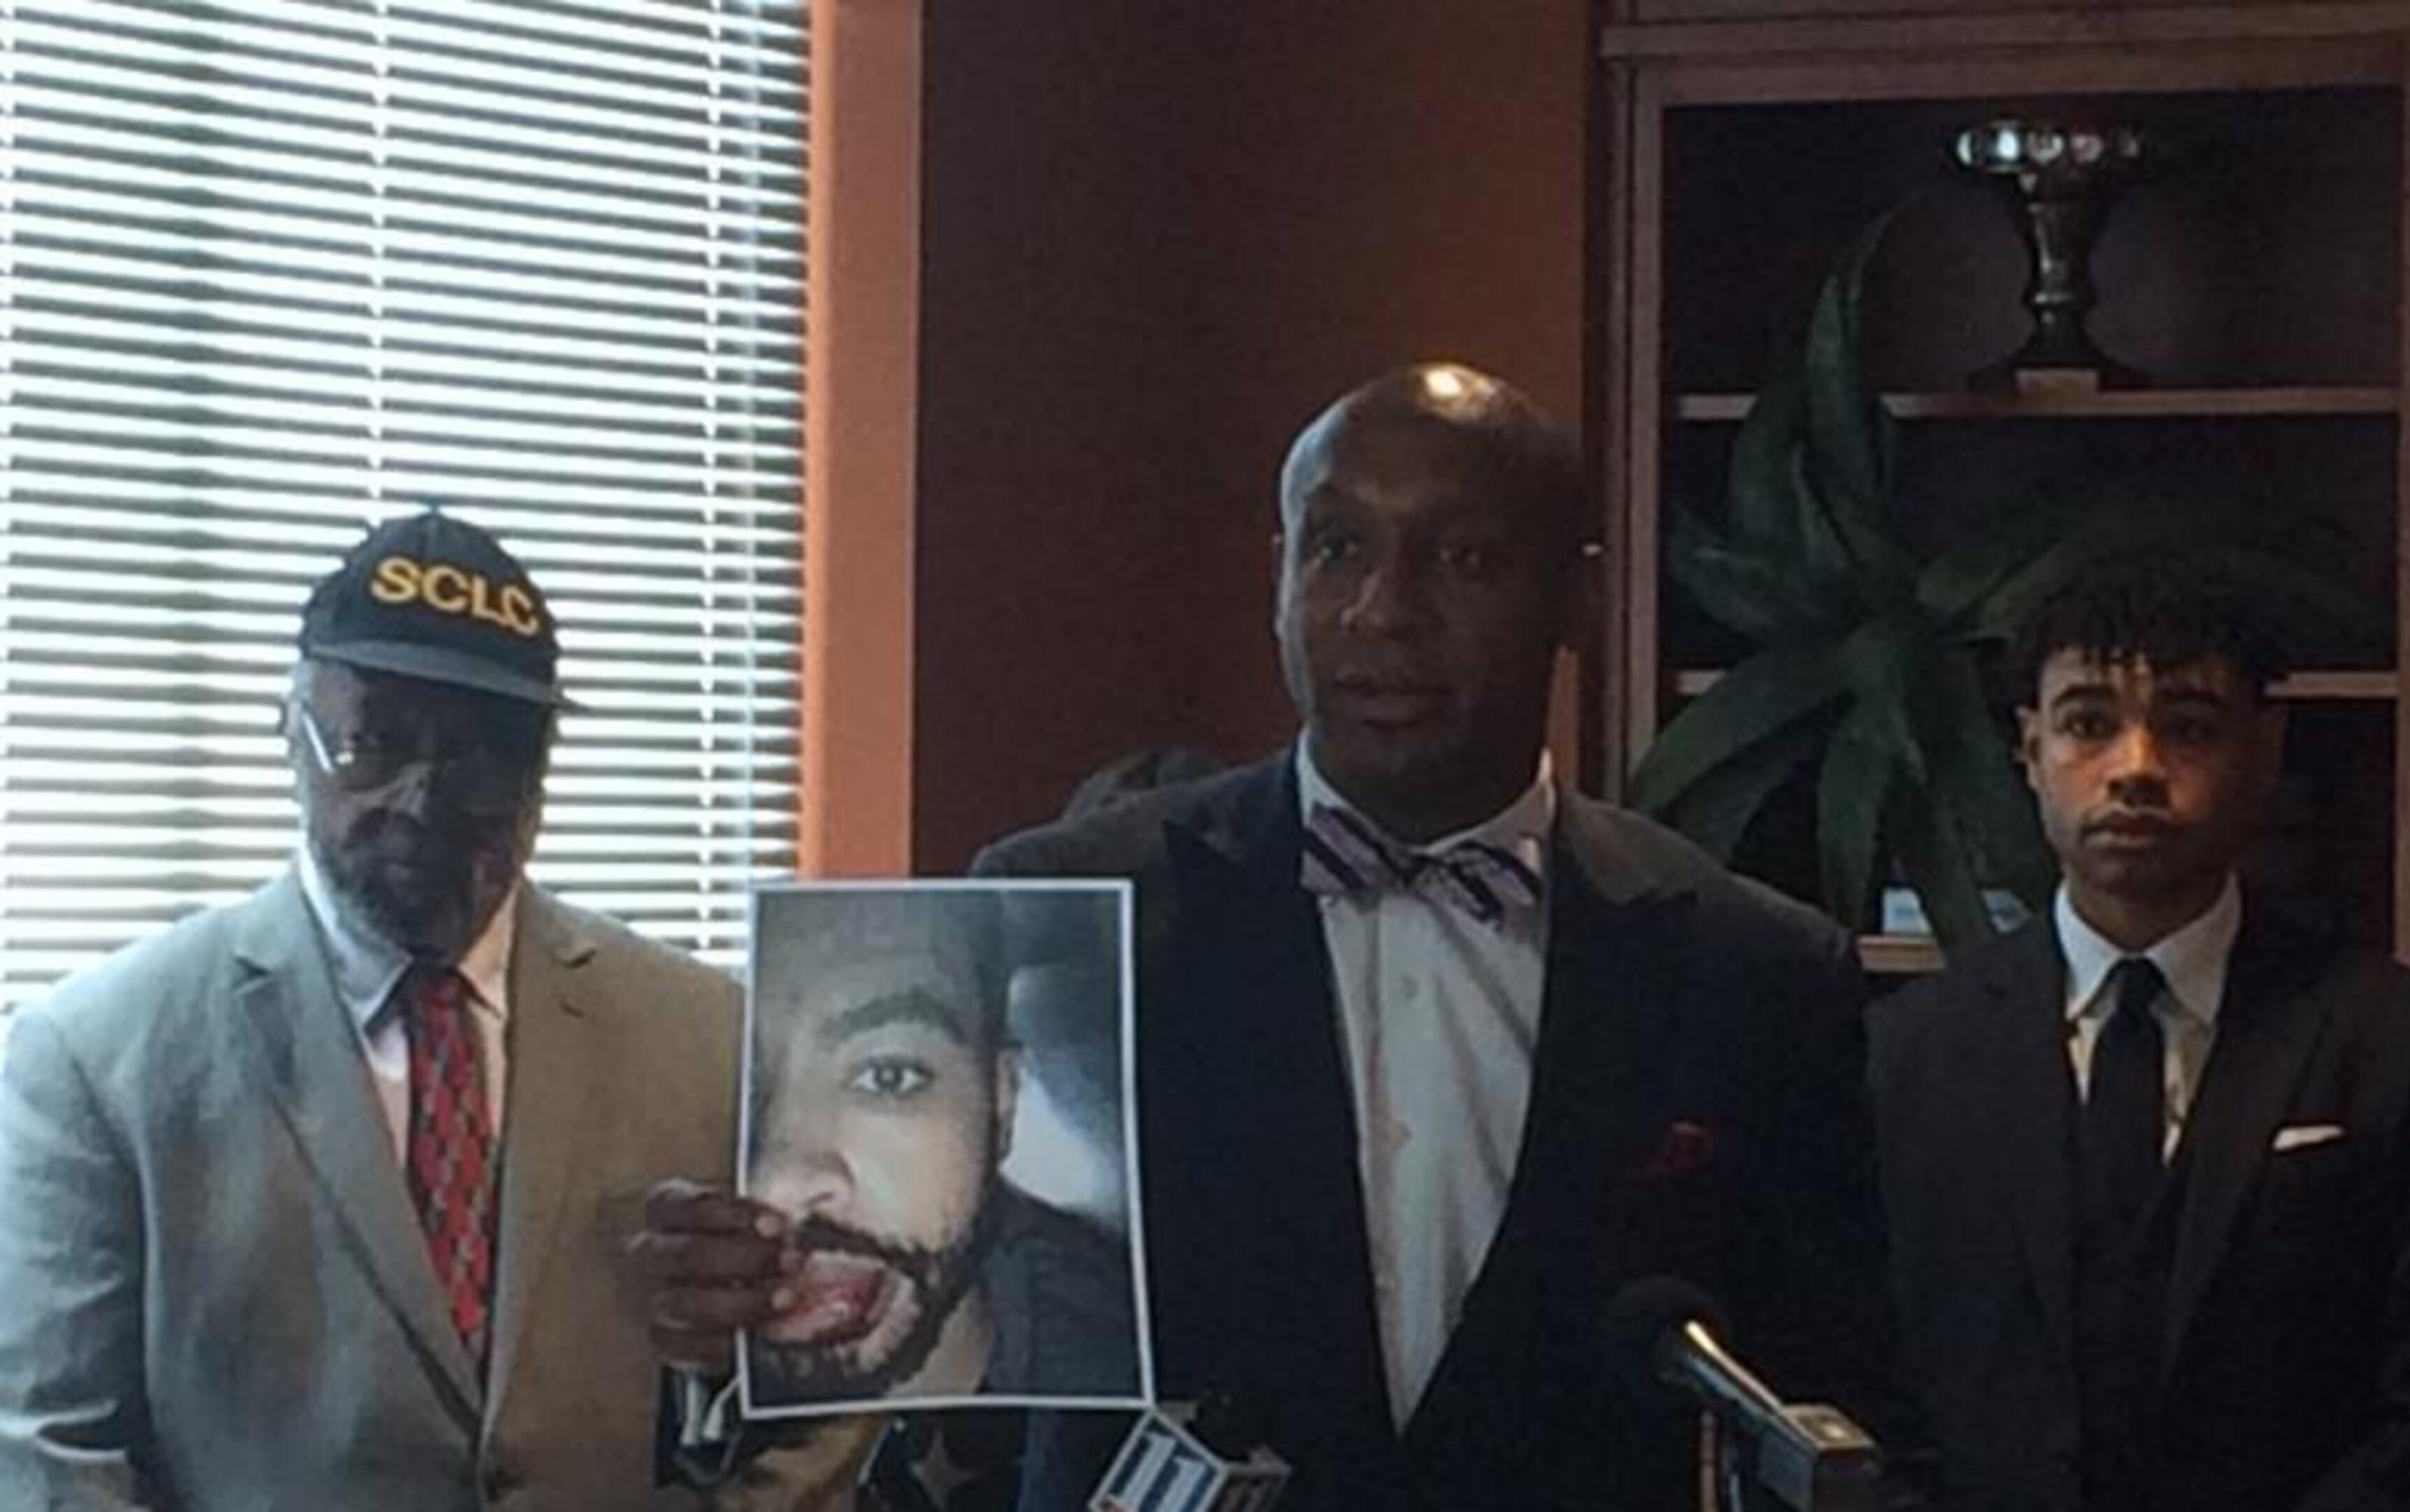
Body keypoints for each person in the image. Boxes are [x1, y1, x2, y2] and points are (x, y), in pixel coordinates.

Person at [636, 360, 1898, 1511]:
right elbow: (943, 1361)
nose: (1382, 613)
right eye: (1338, 549)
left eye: (1461, 560)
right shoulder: (1069, 916)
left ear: (1573, 591)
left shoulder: (1751, 971)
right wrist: (736, 1317)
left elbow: (1823, 1390)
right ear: (1278, 575)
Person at [0, 510, 748, 1508]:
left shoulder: (708, 1037)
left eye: (483, 756)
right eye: (375, 742)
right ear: (292, 732)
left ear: (541, 775)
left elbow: (800, 1399)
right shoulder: (94, 1062)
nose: (422, 798)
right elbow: (54, 1461)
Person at [1868, 553, 2410, 1512]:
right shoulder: (1905, 1054)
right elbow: (1862, 1392)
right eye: (2089, 723)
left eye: (2189, 727)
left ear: (2266, 747)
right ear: (2029, 749)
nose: (2136, 768)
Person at [743, 885, 1137, 1408]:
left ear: (1002, 1102)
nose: (778, 1182)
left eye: (887, 1077)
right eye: (746, 1082)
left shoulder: (1123, 1366)